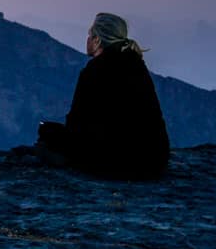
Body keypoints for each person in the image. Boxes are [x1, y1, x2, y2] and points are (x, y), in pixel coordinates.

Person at [36, 12, 170, 179]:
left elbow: (76, 124)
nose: (87, 39)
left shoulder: (93, 71)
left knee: (47, 137)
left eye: (90, 35)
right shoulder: (137, 65)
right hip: (154, 160)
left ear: (98, 40)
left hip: (117, 162)